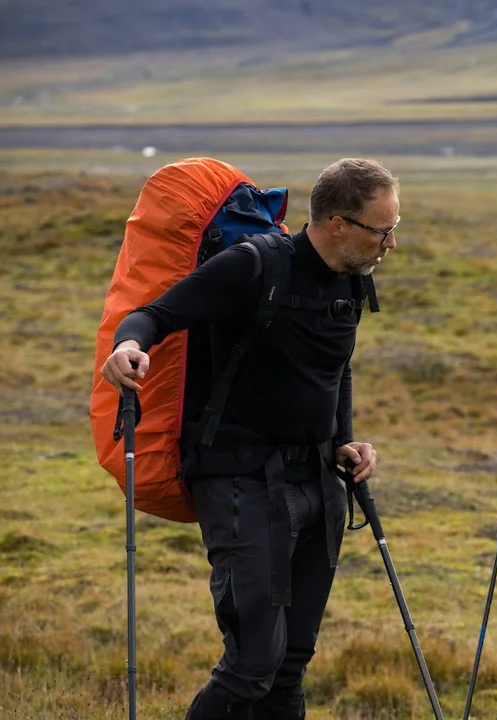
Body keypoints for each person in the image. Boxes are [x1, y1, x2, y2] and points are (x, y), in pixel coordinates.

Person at [100, 158, 400, 719]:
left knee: (290, 665)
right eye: (382, 231)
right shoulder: (253, 266)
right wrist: (127, 348)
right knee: (252, 666)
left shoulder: (353, 281)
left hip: (318, 482)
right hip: (240, 482)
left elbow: (338, 367)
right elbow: (154, 315)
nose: (391, 244)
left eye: (394, 229)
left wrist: (345, 440)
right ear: (338, 223)